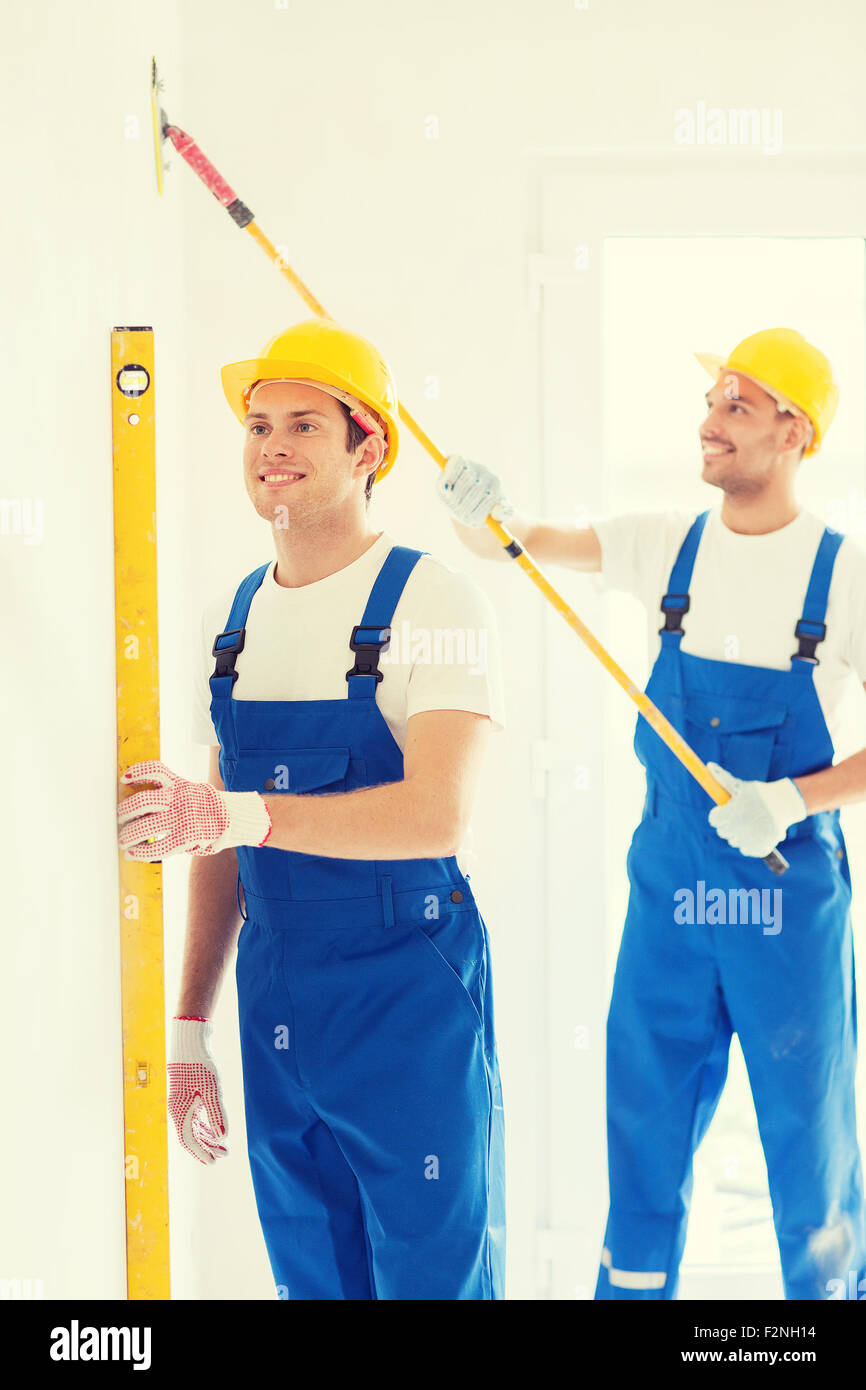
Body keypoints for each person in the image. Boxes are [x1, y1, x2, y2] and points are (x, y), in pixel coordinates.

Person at [437, 327, 866, 1300]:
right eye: (711, 400)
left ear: (792, 432)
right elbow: (518, 546)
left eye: (735, 405)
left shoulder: (840, 574)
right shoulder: (662, 544)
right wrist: (477, 512)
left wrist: (792, 797)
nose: (707, 422)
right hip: (668, 896)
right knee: (642, 1135)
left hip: (781, 904)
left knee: (809, 1147)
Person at [118, 318, 506, 1301]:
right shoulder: (232, 617)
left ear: (369, 446)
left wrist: (238, 815)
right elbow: (221, 836)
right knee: (311, 1276)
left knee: (432, 1276)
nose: (272, 447)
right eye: (256, 426)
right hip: (278, 992)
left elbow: (436, 817)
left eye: (302, 424)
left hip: (407, 990)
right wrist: (188, 1023)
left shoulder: (437, 601)